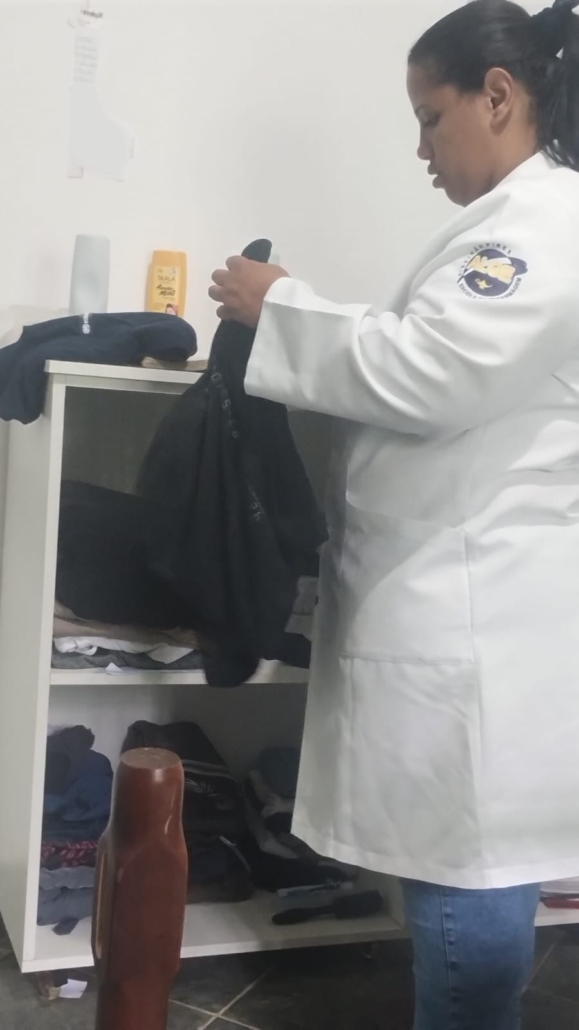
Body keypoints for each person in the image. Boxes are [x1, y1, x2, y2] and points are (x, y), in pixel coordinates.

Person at [209, 1, 579, 1027]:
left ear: (496, 96)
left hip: (479, 615)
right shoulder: (512, 226)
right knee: (462, 858)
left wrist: (282, 306)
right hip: (462, 600)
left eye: (429, 117)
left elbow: (432, 372)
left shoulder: (547, 226)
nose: (419, 149)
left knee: (465, 863)